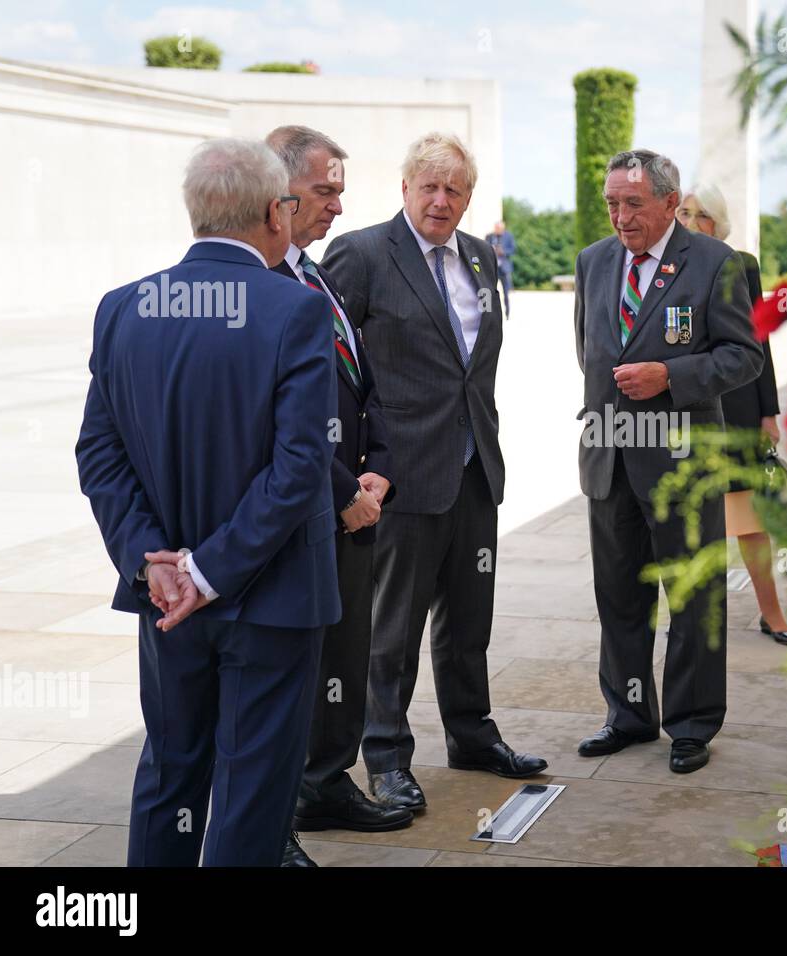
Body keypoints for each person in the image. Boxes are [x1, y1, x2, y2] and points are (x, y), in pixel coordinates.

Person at [75, 138, 340, 866]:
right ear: (271, 213)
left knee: (170, 774)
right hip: (271, 596)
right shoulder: (295, 311)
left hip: (163, 598)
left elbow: (99, 454)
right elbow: (298, 467)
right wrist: (207, 571)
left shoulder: (123, 308)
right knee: (251, 794)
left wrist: (152, 563)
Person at [323, 133, 547, 812]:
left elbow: (474, 367)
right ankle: (386, 756)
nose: (442, 201)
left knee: (469, 620)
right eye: (431, 186)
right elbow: (329, 363)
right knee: (392, 631)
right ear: (405, 188)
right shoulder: (361, 254)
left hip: (475, 467)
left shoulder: (480, 257)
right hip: (401, 474)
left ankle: (472, 735)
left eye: (456, 190)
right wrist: (356, 462)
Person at [573, 149, 764, 774]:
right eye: (611, 203)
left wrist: (671, 376)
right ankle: (628, 715)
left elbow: (744, 357)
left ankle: (690, 724)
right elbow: (590, 352)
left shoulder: (716, 264)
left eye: (633, 204)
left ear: (668, 201)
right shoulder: (593, 262)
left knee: (693, 596)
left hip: (683, 462)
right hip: (610, 459)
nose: (620, 217)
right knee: (620, 599)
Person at [265, 125, 412, 868]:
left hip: (355, 501)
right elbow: (277, 418)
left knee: (345, 656)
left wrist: (378, 464)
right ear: (279, 192)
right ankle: (280, 811)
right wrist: (341, 490)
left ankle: (327, 780)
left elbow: (361, 378)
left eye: (341, 190)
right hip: (305, 513)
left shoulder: (315, 273)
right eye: (326, 190)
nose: (338, 204)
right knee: (296, 667)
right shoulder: (264, 286)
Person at [676, 184, 787, 645]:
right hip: (688, 407)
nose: (687, 220)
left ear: (716, 221)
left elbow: (760, 338)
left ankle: (773, 613)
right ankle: (694, 621)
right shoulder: (669, 266)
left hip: (740, 407)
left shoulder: (740, 264)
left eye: (698, 213)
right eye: (683, 212)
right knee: (688, 519)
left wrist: (770, 410)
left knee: (749, 520)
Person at [485, 220, 516, 316]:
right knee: (489, 291)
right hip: (492, 267)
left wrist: (503, 251)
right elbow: (483, 248)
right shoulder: (489, 236)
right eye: (497, 228)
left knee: (506, 292)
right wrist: (491, 249)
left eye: (501, 229)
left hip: (504, 268)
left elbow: (513, 249)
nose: (499, 230)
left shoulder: (509, 236)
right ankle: (489, 313)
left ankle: (507, 313)